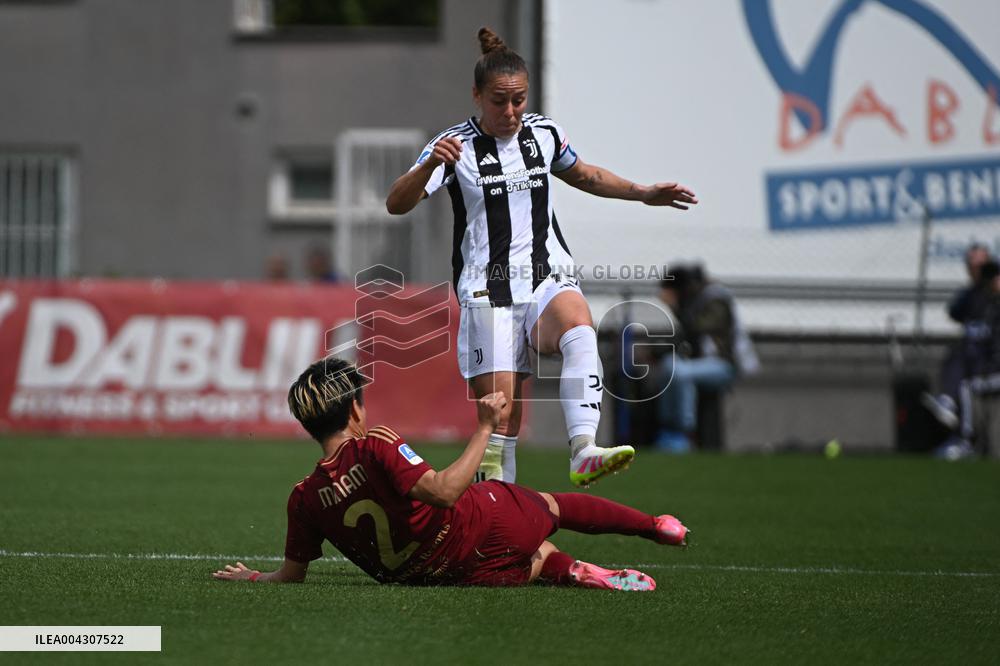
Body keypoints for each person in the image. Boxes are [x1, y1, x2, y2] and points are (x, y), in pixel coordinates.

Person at [385, 27, 698, 486]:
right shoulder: (454, 147)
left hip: (545, 275)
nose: (511, 111)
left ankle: (583, 449)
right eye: (499, 101)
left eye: (519, 100)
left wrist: (643, 192)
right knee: (501, 424)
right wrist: (431, 164)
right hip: (487, 291)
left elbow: (586, 175)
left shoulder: (543, 134)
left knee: (579, 326)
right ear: (476, 95)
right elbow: (396, 203)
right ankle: (496, 530)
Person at [211, 358, 689, 590]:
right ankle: (656, 526)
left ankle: (578, 571)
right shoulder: (374, 442)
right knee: (549, 505)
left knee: (537, 559)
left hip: (441, 577)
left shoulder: (303, 497)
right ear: (355, 407)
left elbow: (291, 576)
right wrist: (486, 427)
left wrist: (253, 577)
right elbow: (442, 492)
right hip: (471, 529)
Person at [655, 264, 758, 452]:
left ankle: (684, 432)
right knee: (669, 366)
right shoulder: (694, 301)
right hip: (700, 364)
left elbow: (698, 327)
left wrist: (675, 306)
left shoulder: (715, 299)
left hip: (723, 365)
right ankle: (668, 429)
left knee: (681, 373)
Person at [922, 244, 995, 434]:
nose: (976, 270)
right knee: (960, 352)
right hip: (975, 362)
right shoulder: (971, 295)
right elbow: (955, 312)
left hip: (993, 362)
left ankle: (965, 437)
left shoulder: (995, 296)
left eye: (982, 266)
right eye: (972, 266)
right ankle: (947, 401)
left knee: (965, 378)